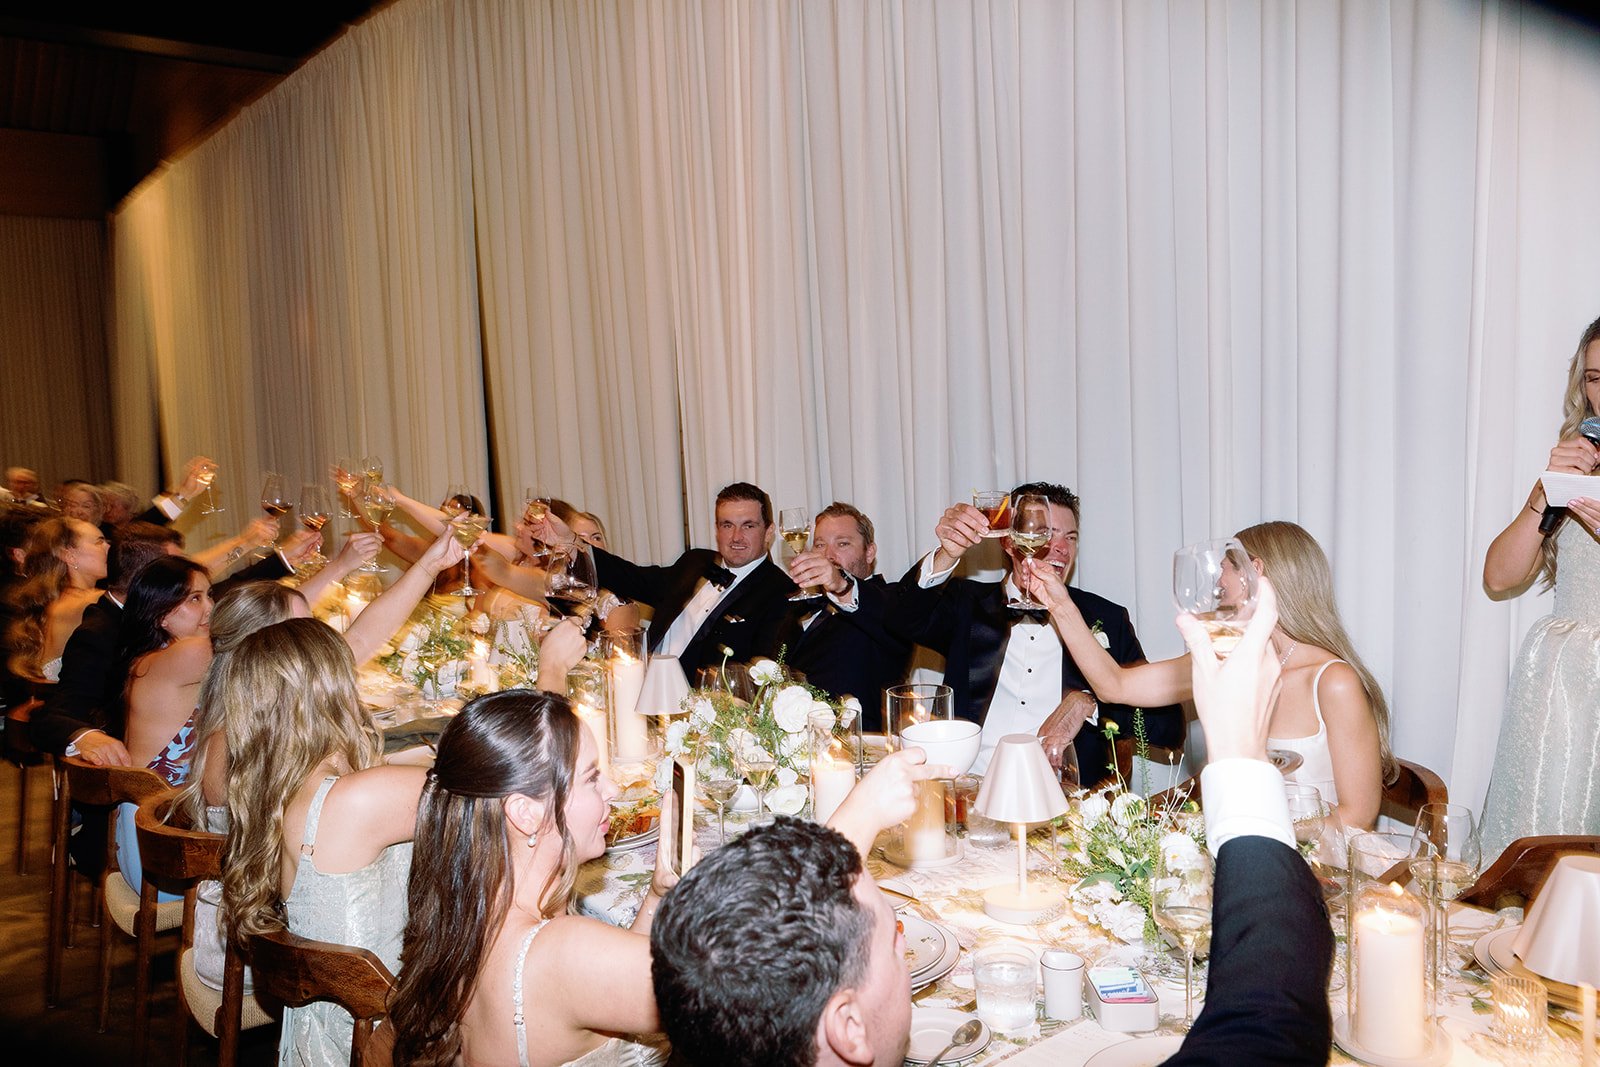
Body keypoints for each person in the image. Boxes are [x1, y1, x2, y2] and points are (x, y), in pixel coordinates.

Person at [652, 579, 1333, 1067]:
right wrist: (1242, 761)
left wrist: (855, 820)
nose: (905, 934)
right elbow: (1266, 1022)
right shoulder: (970, 603)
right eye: (891, 933)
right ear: (848, 1027)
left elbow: (1133, 707)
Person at [1033, 521, 1391, 828]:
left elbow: (1358, 815)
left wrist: (1269, 841)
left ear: (1256, 573)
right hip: (1244, 848)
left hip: (1318, 867)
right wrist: (1060, 605)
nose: (1217, 583)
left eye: (1225, 569)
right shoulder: (1220, 659)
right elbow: (1115, 685)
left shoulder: (1333, 681)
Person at [219, 618, 423, 1065]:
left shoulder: (278, 786)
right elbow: (502, 785)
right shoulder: (357, 800)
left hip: (322, 1033)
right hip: (374, 1040)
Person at [889, 481, 1182, 779]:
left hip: (1061, 797)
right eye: (1047, 533)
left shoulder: (1105, 617)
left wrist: (1090, 703)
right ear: (1009, 540)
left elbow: (1169, 729)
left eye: (1071, 537)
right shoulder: (966, 604)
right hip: (967, 786)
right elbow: (901, 620)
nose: (1062, 549)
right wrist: (947, 554)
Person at [1479, 314, 1600, 859]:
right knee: (1540, 867)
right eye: (1594, 378)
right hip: (1560, 688)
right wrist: (1544, 493)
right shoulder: (1580, 466)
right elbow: (1499, 576)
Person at [534, 482, 796, 680]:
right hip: (636, 685)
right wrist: (569, 542)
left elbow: (760, 674)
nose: (736, 536)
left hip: (695, 713)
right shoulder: (696, 562)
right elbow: (631, 577)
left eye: (748, 525)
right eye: (727, 525)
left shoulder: (780, 592)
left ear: (769, 532)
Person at [776, 502, 909, 729]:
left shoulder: (892, 601)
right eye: (819, 545)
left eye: (842, 544)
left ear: (870, 552)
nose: (828, 555)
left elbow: (889, 616)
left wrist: (841, 585)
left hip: (859, 746)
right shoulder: (799, 605)